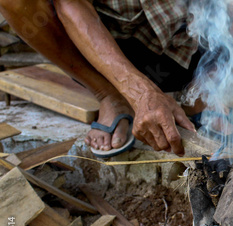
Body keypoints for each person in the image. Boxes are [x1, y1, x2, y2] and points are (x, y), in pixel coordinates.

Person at [0, 0, 202, 157]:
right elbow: (71, 4)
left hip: (185, 50)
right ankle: (108, 94)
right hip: (100, 50)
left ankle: (203, 89)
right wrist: (141, 94)